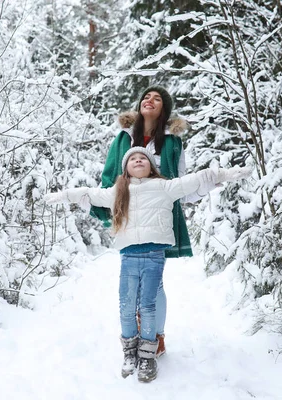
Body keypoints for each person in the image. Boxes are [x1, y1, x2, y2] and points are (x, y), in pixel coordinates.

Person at [45, 147, 251, 382]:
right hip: (128, 256)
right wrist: (64, 195)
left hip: (154, 255)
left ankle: (147, 356)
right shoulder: (118, 191)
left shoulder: (164, 186)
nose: (138, 160)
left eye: (143, 158)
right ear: (126, 169)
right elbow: (90, 193)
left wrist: (224, 174)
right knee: (126, 305)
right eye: (133, 158)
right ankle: (130, 353)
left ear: (151, 166)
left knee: (147, 306)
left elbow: (196, 179)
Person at [90, 85, 211, 357]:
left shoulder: (172, 141)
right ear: (140, 104)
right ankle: (135, 337)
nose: (150, 100)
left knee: (155, 284)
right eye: (146, 96)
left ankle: (156, 335)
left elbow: (180, 181)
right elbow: (110, 174)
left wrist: (206, 185)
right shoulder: (123, 137)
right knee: (131, 284)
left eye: (157, 99)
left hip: (158, 216)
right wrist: (109, 209)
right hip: (129, 217)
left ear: (164, 109)